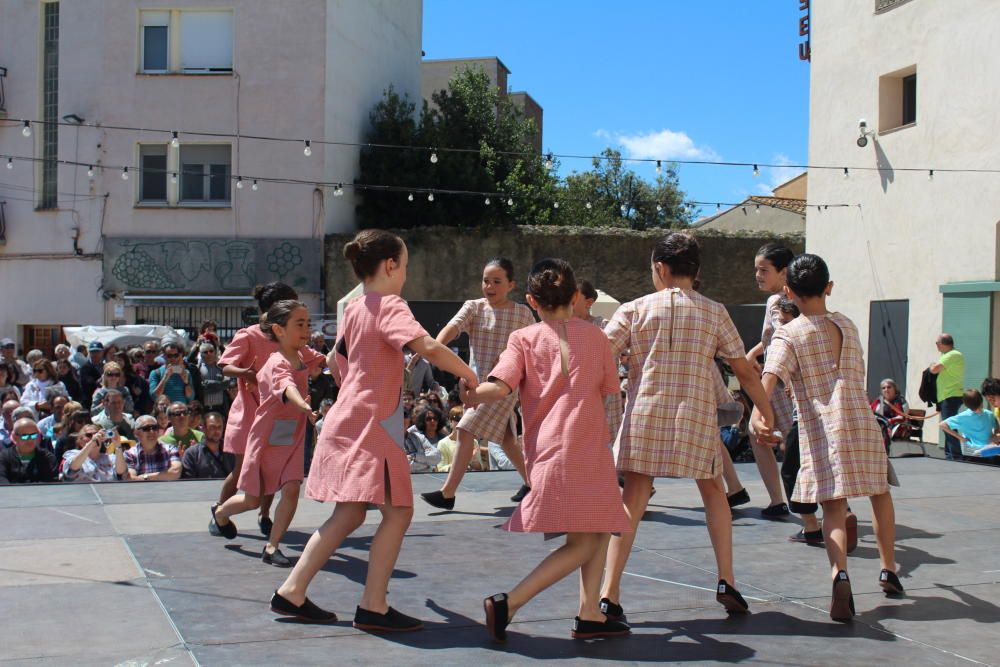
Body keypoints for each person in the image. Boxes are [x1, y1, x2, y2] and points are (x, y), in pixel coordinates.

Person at [272, 229, 478, 629]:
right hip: (372, 426)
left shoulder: (355, 307)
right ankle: (372, 605)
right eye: (405, 266)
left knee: (348, 515)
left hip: (348, 419)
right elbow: (430, 348)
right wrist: (469, 373)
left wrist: (370, 379)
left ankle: (292, 592)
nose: (406, 274)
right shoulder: (390, 305)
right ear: (390, 266)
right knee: (399, 511)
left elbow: (336, 361)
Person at [600, 233, 776, 622]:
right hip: (695, 413)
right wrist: (765, 410)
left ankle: (609, 593)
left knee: (634, 496)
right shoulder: (714, 311)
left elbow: (599, 356)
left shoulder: (635, 309)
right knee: (714, 491)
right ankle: (727, 580)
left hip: (646, 412)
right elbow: (743, 370)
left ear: (660, 269)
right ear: (696, 273)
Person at [460, 258, 632, 641]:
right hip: (589, 448)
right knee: (589, 538)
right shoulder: (596, 337)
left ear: (531, 301)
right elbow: (611, 394)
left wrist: (473, 394)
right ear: (575, 295)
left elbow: (500, 386)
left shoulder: (523, 339)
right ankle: (510, 602)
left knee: (596, 530)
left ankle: (590, 614)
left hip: (550, 451)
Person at [754, 253, 902, 622]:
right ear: (829, 287)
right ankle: (889, 568)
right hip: (861, 420)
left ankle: (840, 573)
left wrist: (760, 413)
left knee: (834, 506)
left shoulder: (790, 333)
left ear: (788, 290)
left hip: (821, 428)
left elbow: (770, 377)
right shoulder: (848, 324)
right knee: (879, 492)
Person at [211, 301, 320, 567]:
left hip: (291, 435)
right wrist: (304, 405)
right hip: (267, 435)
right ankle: (221, 514)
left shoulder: (302, 353)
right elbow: (286, 386)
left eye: (307, 323)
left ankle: (272, 547)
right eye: (299, 324)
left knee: (292, 488)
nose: (306, 329)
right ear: (279, 330)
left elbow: (322, 363)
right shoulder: (276, 362)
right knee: (252, 498)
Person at [421, 258, 535, 511]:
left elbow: (535, 345)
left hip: (504, 384)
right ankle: (534, 484)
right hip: (475, 386)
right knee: (507, 440)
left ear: (511, 284)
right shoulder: (473, 307)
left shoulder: (522, 313)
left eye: (496, 281)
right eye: (486, 280)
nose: (489, 286)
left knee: (464, 430)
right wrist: (436, 346)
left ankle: (448, 493)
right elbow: (453, 327)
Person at [743, 243, 797, 518]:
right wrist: (753, 352)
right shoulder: (790, 298)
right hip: (779, 380)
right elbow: (772, 338)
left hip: (778, 382)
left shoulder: (777, 301)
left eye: (764, 270)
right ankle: (781, 500)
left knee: (795, 439)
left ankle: (785, 501)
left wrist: (776, 376)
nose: (758, 275)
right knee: (771, 436)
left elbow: (782, 338)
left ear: (783, 272)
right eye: (756, 270)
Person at [929, 334, 966, 460]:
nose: (936, 346)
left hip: (951, 396)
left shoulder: (952, 355)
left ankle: (955, 456)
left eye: (937, 343)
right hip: (947, 396)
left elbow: (934, 369)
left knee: (948, 426)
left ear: (942, 344)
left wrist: (931, 365)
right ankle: (950, 454)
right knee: (948, 426)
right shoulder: (947, 356)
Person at [939, 389, 999, 457]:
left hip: (984, 451)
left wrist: (995, 434)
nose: (978, 410)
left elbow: (997, 426)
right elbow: (942, 425)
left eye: (979, 406)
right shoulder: (964, 416)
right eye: (975, 408)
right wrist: (961, 438)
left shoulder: (989, 415)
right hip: (973, 452)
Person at [61, 424, 128, 482]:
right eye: (89, 435)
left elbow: (121, 473)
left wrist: (117, 445)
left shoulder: (111, 458)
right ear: (80, 441)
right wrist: (92, 442)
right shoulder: (72, 454)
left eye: (96, 434)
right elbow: (72, 468)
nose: (94, 436)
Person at [0, 418, 59, 484]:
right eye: (25, 436)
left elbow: (51, 482)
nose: (30, 440)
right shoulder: (3, 458)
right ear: (14, 437)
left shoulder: (48, 458)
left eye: (33, 435)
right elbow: (2, 481)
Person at [125, 415, 181, 481]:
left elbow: (175, 473)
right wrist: (164, 475)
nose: (152, 431)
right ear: (136, 433)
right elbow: (130, 479)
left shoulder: (170, 449)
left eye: (154, 428)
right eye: (146, 428)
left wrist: (145, 477)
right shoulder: (129, 454)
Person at [182, 412, 234, 479]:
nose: (217, 431)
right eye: (212, 427)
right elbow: (189, 482)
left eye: (219, 427)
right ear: (204, 428)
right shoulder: (192, 454)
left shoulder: (231, 452)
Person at [197, 344, 227, 414]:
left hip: (220, 407)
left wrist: (209, 383)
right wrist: (218, 385)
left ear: (215, 352)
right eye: (205, 352)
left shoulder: (221, 367)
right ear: (201, 354)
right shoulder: (198, 368)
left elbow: (226, 383)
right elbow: (200, 387)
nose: (209, 354)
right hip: (204, 408)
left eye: (211, 351)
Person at [78, 342, 106, 410]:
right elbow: (88, 384)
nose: (94, 354)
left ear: (102, 352)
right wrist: (103, 378)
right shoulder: (84, 368)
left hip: (106, 401)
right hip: (90, 403)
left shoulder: (105, 366)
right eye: (92, 352)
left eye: (97, 352)